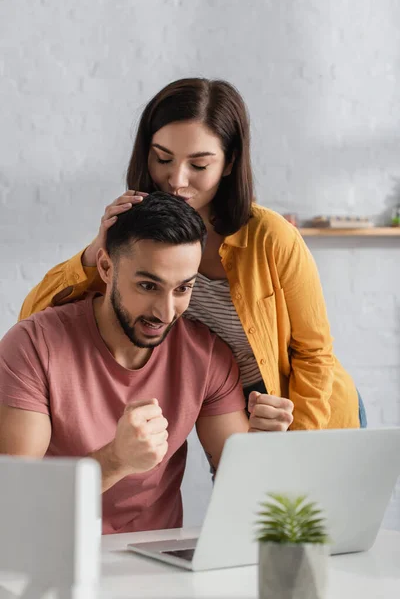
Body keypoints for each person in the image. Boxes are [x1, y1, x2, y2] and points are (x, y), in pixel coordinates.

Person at [19, 77, 365, 429]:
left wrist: (300, 440)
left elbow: (314, 353)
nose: (176, 180)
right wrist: (96, 249)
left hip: (313, 412)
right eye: (163, 159)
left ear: (229, 163)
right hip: (235, 413)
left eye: (198, 165)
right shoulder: (140, 237)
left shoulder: (270, 236)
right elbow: (32, 320)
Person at [0, 193, 294, 534]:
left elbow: (243, 486)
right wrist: (115, 460)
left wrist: (260, 445)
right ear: (107, 268)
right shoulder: (33, 346)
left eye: (183, 288)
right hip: (53, 554)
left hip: (157, 562)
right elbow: (14, 501)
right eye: (147, 286)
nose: (166, 312)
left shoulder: (208, 355)